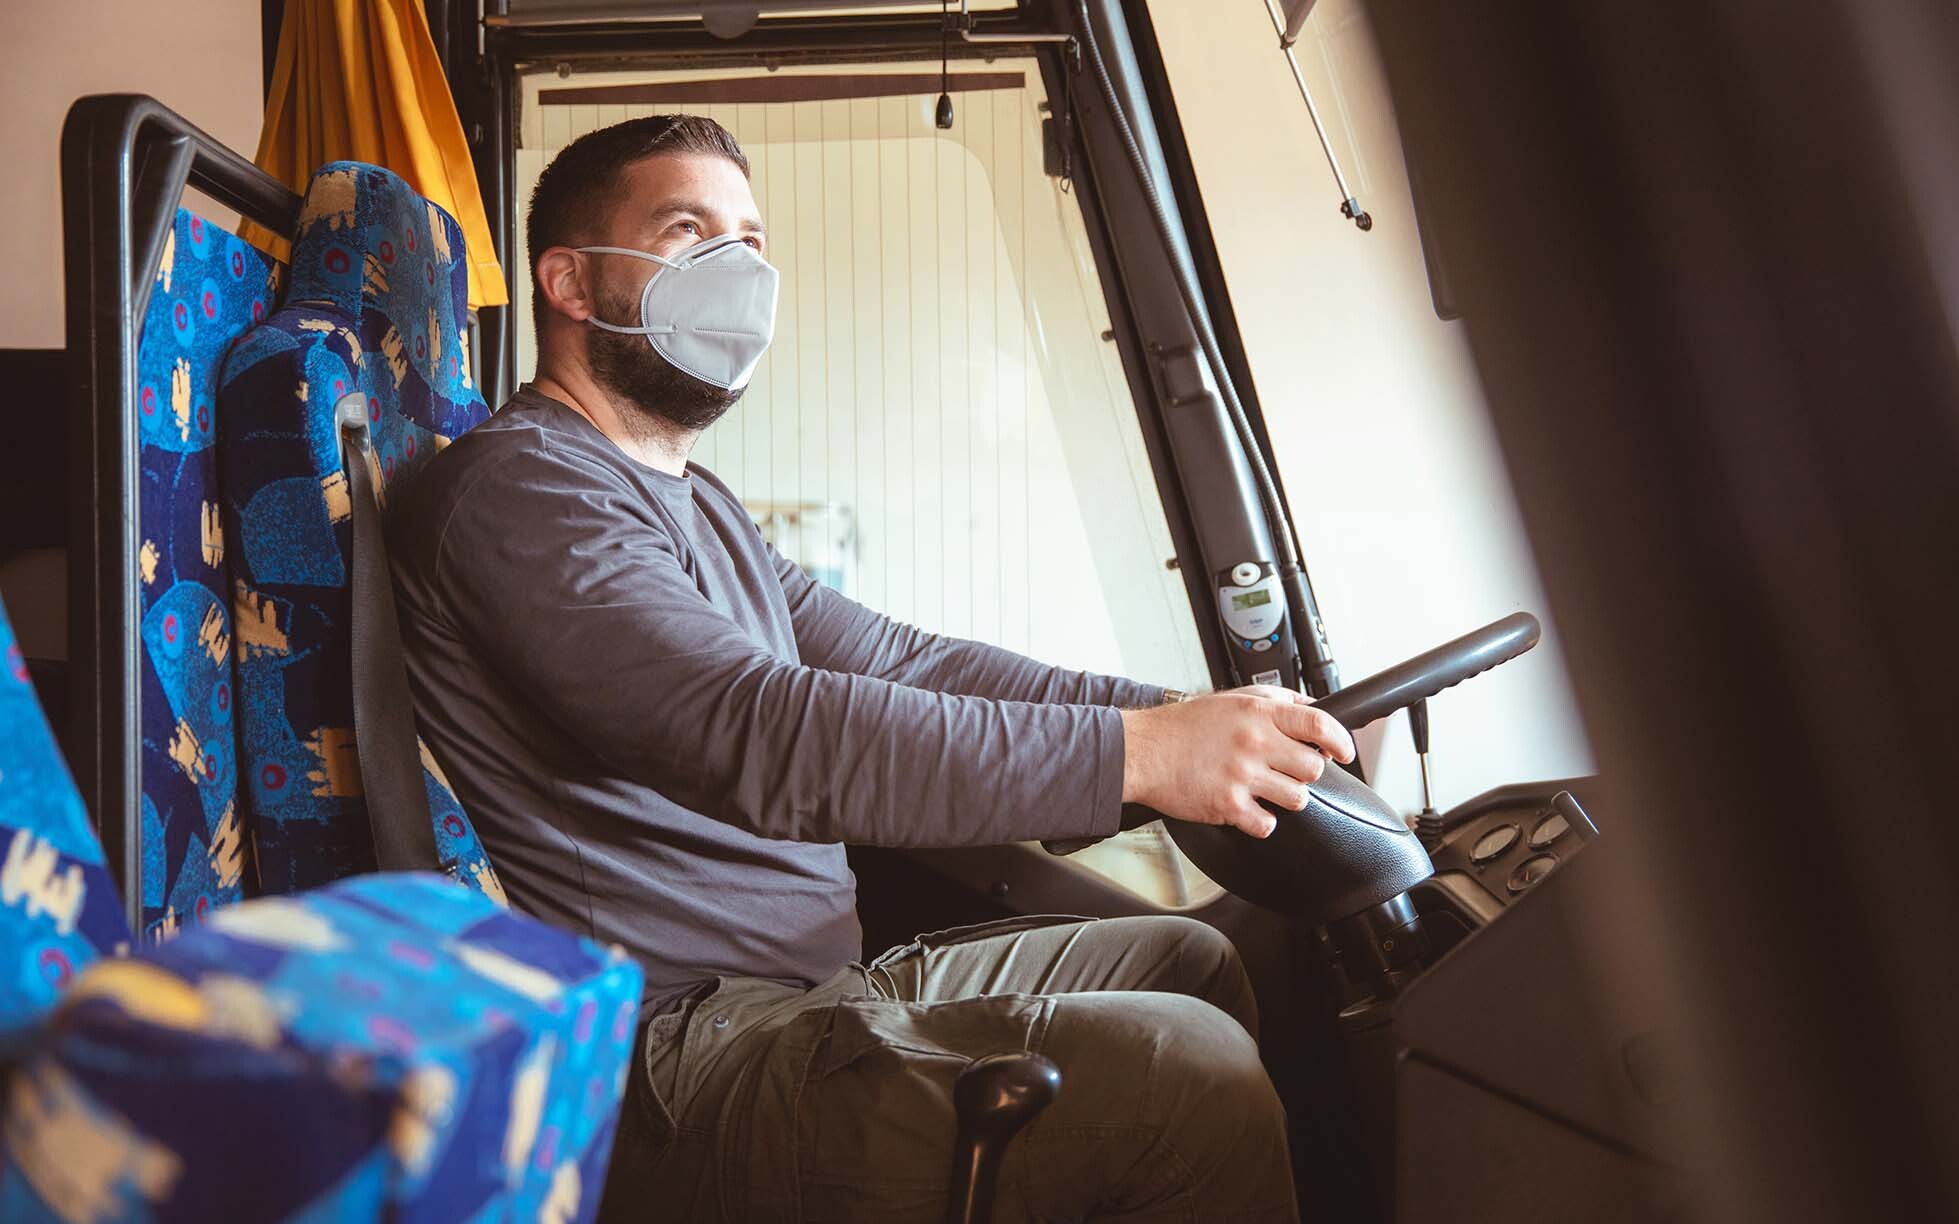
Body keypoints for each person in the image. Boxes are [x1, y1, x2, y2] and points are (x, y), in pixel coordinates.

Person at [388, 113, 1354, 1222]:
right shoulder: (521, 494)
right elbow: (748, 728)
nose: (737, 273)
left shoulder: (691, 502)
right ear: (569, 280)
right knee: (1183, 1079)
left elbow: (902, 661)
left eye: (749, 241)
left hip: (804, 998)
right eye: (688, 231)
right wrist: (1138, 757)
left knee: (1186, 965)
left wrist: (1190, 720)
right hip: (671, 1059)